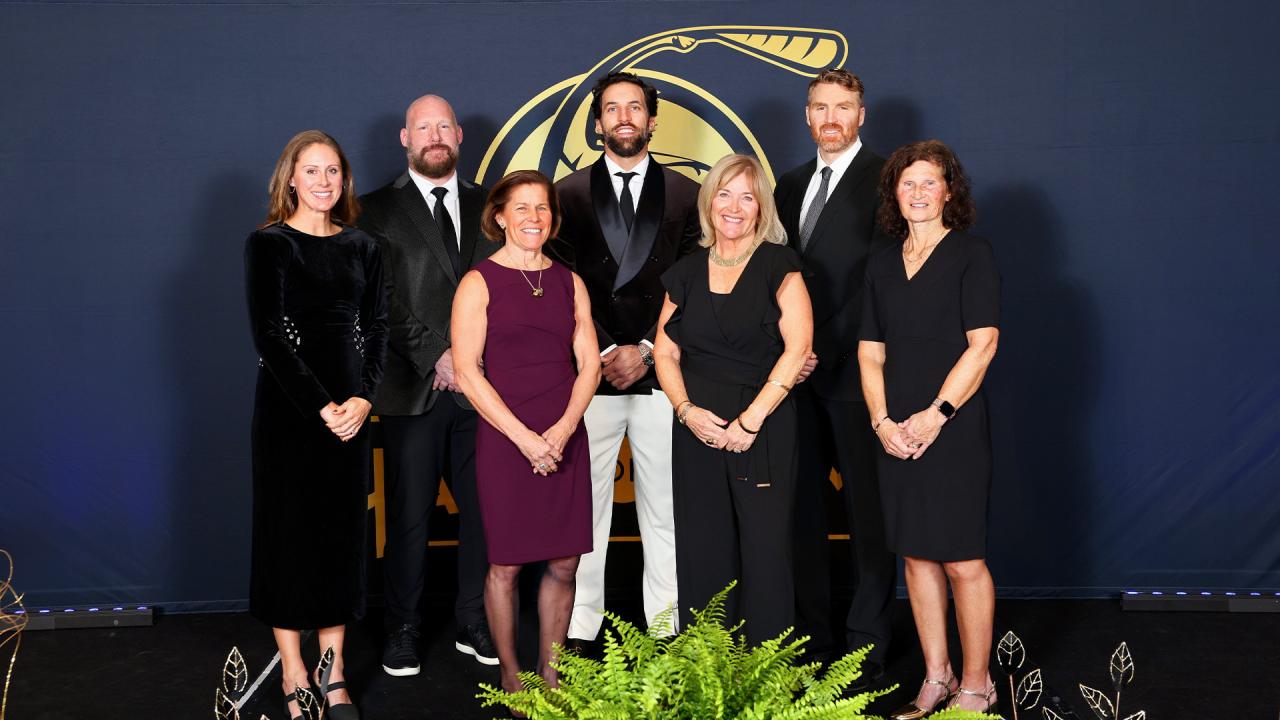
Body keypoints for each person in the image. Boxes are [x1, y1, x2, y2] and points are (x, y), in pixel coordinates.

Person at [549, 71, 700, 649]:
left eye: (634, 107)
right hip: (592, 373)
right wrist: (610, 350)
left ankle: (667, 627)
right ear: (597, 123)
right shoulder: (564, 196)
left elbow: (689, 287)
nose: (624, 118)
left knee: (665, 509)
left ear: (653, 120)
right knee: (585, 512)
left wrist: (642, 350)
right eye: (612, 109)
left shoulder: (688, 195)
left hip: (661, 371)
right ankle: (581, 625)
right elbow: (563, 286)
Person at [245, 130, 387, 720]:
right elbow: (270, 338)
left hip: (350, 418)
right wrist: (321, 406)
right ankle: (294, 675)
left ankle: (334, 675)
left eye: (333, 171)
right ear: (291, 179)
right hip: (291, 415)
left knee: (338, 540)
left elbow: (377, 328)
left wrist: (361, 400)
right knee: (289, 539)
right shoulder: (269, 245)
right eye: (312, 170)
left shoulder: (365, 247)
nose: (324, 181)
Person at [356, 95, 499, 676]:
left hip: (485, 391)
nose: (435, 135)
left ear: (460, 134)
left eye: (444, 125)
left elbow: (505, 285)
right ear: (404, 137)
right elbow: (378, 298)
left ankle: (475, 620)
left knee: (485, 513)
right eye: (424, 127)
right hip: (412, 387)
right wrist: (439, 354)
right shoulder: (371, 210)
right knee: (410, 517)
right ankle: (403, 629)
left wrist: (473, 362)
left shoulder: (490, 204)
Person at [858, 140, 1000, 716]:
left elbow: (983, 344)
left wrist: (936, 415)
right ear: (895, 192)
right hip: (895, 431)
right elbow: (870, 352)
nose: (917, 193)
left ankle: (975, 684)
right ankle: (935, 678)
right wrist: (881, 422)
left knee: (962, 559)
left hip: (953, 427)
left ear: (949, 191)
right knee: (915, 556)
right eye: (907, 183)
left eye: (929, 183)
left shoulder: (972, 254)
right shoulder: (881, 263)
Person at [452, 170, 601, 698]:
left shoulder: (569, 281)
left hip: (565, 434)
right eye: (522, 208)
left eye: (542, 208)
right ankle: (512, 674)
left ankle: (554, 672)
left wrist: (560, 432)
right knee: (507, 563)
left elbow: (589, 366)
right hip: (505, 435)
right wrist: (526, 439)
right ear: (499, 216)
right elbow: (469, 371)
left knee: (564, 560)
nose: (534, 218)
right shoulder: (478, 282)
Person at [653, 154, 813, 642]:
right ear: (709, 202)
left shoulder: (778, 264)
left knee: (765, 551)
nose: (735, 207)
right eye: (725, 194)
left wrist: (750, 421)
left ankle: (769, 672)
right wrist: (686, 412)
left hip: (762, 428)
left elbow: (799, 348)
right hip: (697, 427)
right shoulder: (685, 272)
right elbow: (663, 350)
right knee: (704, 548)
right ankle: (709, 669)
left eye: (748, 197)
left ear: (762, 208)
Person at [772, 67, 896, 675]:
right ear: (806, 114)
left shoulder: (887, 182)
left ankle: (867, 648)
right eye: (820, 107)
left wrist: (822, 345)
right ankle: (811, 643)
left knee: (868, 516)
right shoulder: (788, 184)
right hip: (794, 380)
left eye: (842, 107)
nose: (830, 118)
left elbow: (884, 281)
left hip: (855, 374)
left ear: (861, 114)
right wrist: (793, 352)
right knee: (802, 514)